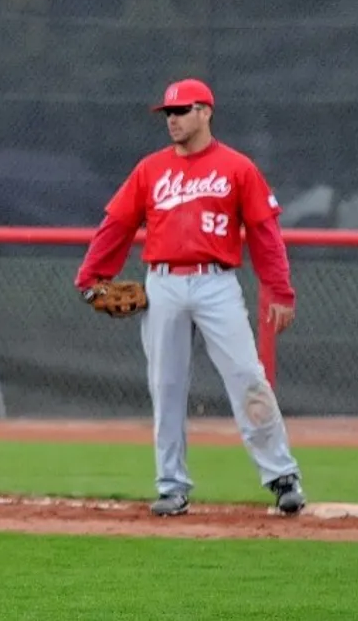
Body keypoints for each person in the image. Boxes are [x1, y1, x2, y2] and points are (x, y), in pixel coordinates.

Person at [74, 78, 306, 518]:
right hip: (163, 283)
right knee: (166, 387)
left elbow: (264, 233)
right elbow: (117, 224)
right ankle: (171, 485)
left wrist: (279, 289)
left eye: (182, 111)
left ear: (206, 112)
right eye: (168, 114)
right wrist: (91, 275)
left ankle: (282, 476)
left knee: (248, 378)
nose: (173, 120)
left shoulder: (237, 168)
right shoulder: (150, 169)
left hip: (217, 283)